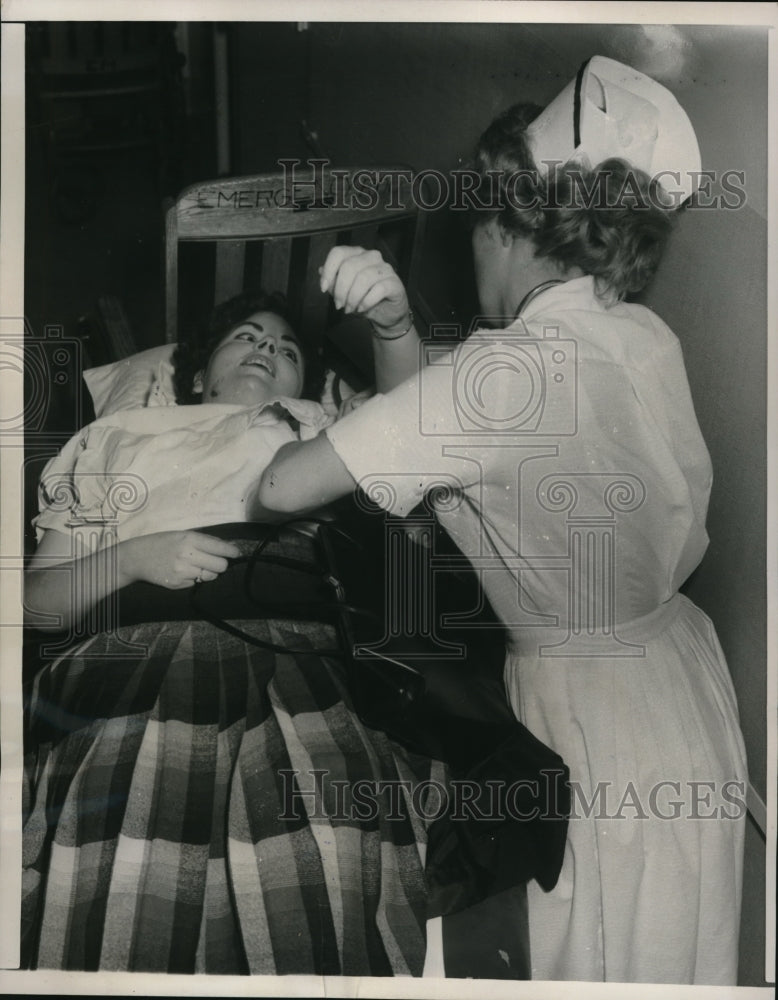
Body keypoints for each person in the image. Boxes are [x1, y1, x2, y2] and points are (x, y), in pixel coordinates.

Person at [257, 57, 748, 984]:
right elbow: (450, 438)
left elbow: (284, 488)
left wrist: (319, 420)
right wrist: (398, 324)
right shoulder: (636, 331)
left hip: (592, 723)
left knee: (593, 957)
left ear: (509, 221)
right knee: (678, 956)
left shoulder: (501, 377)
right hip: (682, 688)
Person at [22, 290, 444, 975]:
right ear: (195, 375)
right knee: (124, 875)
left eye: (286, 350)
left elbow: (420, 426)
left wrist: (394, 325)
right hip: (132, 661)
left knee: (326, 866)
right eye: (247, 337)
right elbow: (35, 605)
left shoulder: (325, 431)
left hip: (300, 655)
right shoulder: (116, 436)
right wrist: (132, 557)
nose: (267, 351)